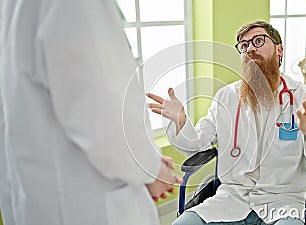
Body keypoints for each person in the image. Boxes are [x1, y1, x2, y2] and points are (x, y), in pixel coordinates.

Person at [0, 0, 182, 225]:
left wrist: (147, 161)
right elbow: (108, 118)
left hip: (40, 198)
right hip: (86, 205)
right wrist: (150, 168)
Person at [147, 21, 306, 225]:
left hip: (284, 202)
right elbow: (198, 144)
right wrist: (181, 122)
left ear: (279, 50)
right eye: (243, 45)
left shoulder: (303, 99)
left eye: (258, 41)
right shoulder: (226, 97)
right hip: (231, 199)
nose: (250, 49)